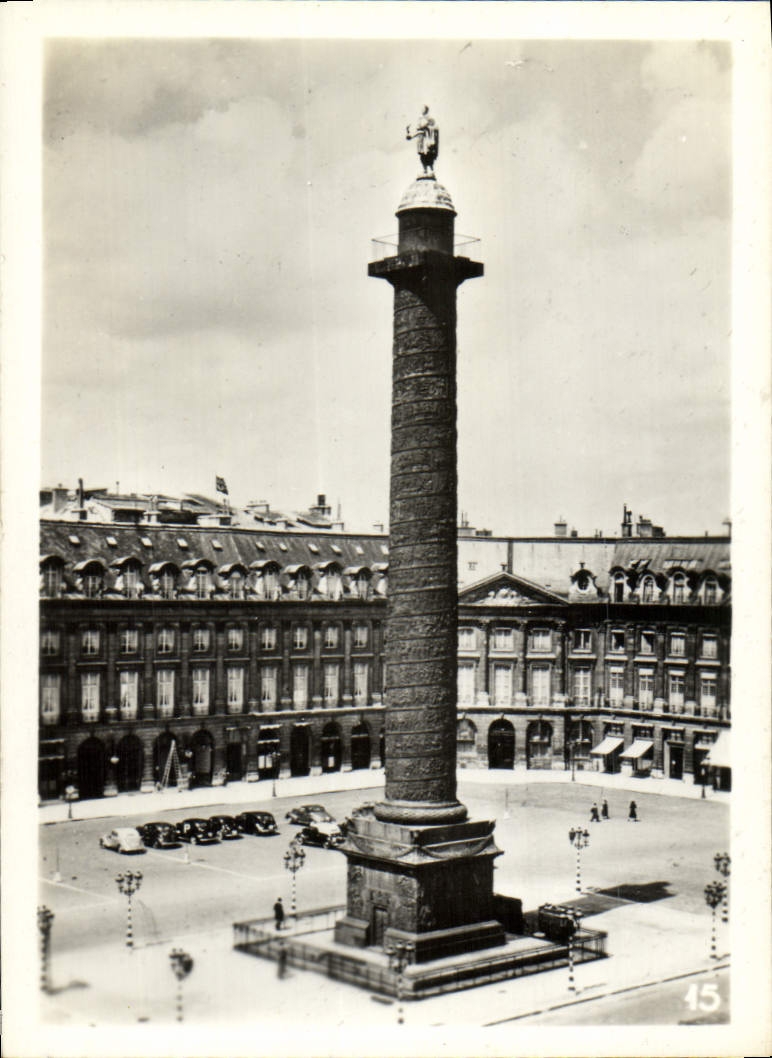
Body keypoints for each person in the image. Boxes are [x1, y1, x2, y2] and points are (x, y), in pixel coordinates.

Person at [406, 105, 439, 175]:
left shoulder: (430, 119)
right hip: (421, 141)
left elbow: (433, 127)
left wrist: (426, 126)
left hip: (427, 140)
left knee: (428, 156)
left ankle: (431, 170)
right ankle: (425, 170)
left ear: (426, 110)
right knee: (422, 156)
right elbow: (417, 130)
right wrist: (409, 133)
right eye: (422, 109)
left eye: (423, 109)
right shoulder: (420, 118)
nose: (422, 110)